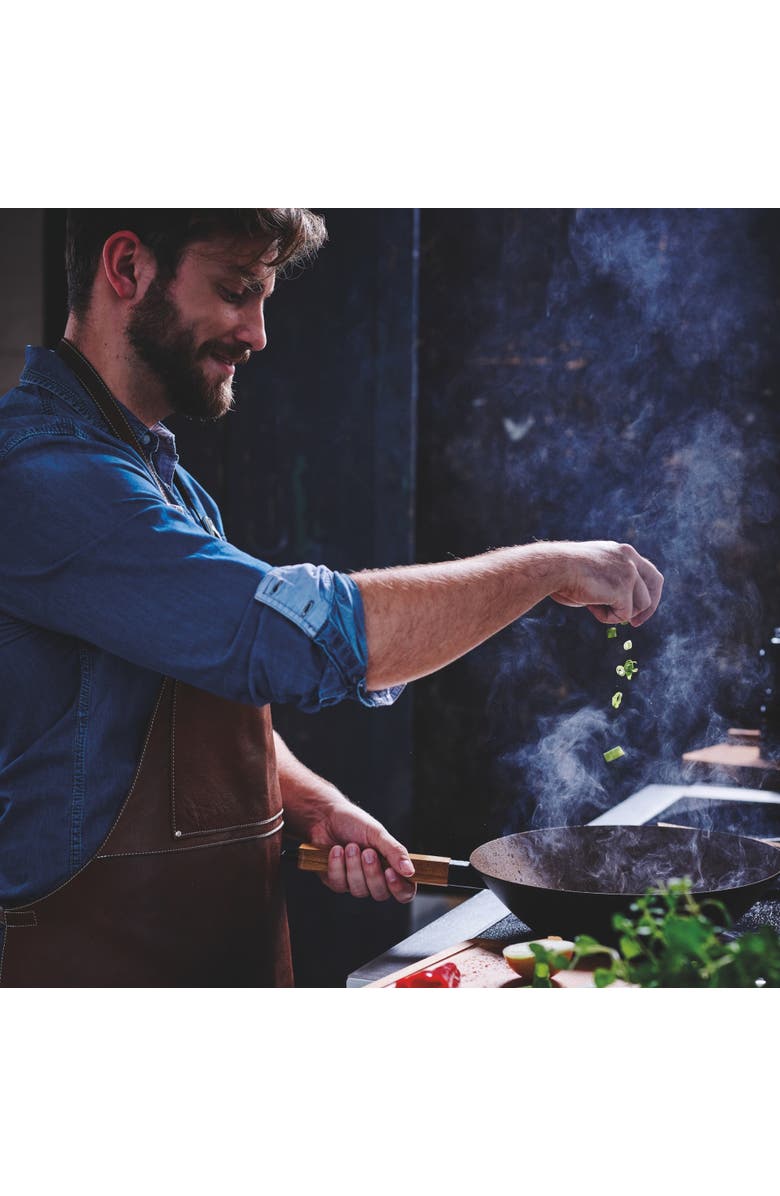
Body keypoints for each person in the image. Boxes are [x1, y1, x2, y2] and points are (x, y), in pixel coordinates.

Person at [0, 209, 664, 987]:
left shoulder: (169, 491)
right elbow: (288, 642)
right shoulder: (40, 480)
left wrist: (316, 805)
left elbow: (188, 707)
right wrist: (548, 567)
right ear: (127, 269)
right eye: (237, 290)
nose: (258, 333)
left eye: (265, 297)